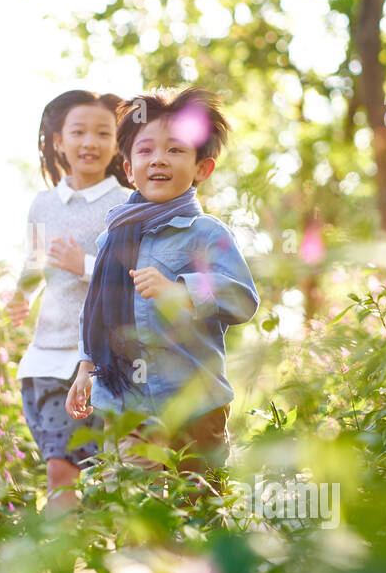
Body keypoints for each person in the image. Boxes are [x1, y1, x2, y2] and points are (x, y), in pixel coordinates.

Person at [66, 86, 259, 502]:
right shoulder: (111, 240)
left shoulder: (207, 234)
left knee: (203, 506)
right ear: (129, 169)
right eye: (146, 150)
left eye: (175, 150)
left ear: (202, 168)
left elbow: (242, 297)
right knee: (136, 506)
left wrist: (181, 291)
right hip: (127, 403)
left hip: (195, 402)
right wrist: (85, 368)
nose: (158, 159)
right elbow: (96, 312)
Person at [6, 90, 132, 513]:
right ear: (58, 141)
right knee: (59, 472)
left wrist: (84, 264)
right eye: (78, 132)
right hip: (46, 356)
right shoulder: (43, 203)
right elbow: (35, 262)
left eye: (103, 133)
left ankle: (105, 570)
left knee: (105, 478)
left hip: (102, 359)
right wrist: (21, 295)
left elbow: (132, 277)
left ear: (117, 142)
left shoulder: (126, 204)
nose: (90, 142)